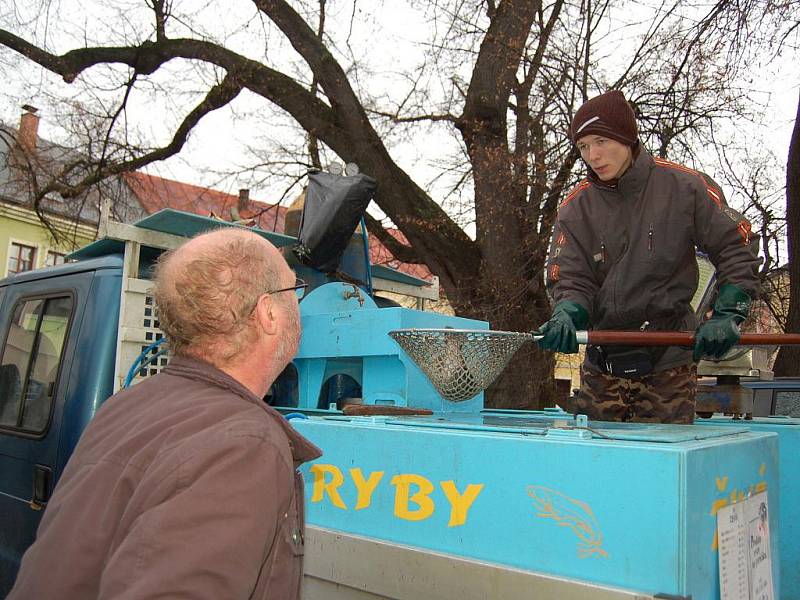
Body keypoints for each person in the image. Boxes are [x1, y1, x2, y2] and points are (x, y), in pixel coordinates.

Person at [9, 228, 321, 599]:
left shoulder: (127, 406)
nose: (298, 304)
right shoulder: (243, 444)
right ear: (268, 312)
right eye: (293, 290)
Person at [536, 90, 760, 424]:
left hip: (670, 360)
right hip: (602, 362)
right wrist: (567, 314)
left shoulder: (685, 187)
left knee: (665, 465)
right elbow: (570, 277)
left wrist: (728, 314)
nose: (593, 155)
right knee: (595, 464)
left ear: (626, 137)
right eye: (583, 147)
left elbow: (736, 245)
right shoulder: (575, 208)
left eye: (600, 141)